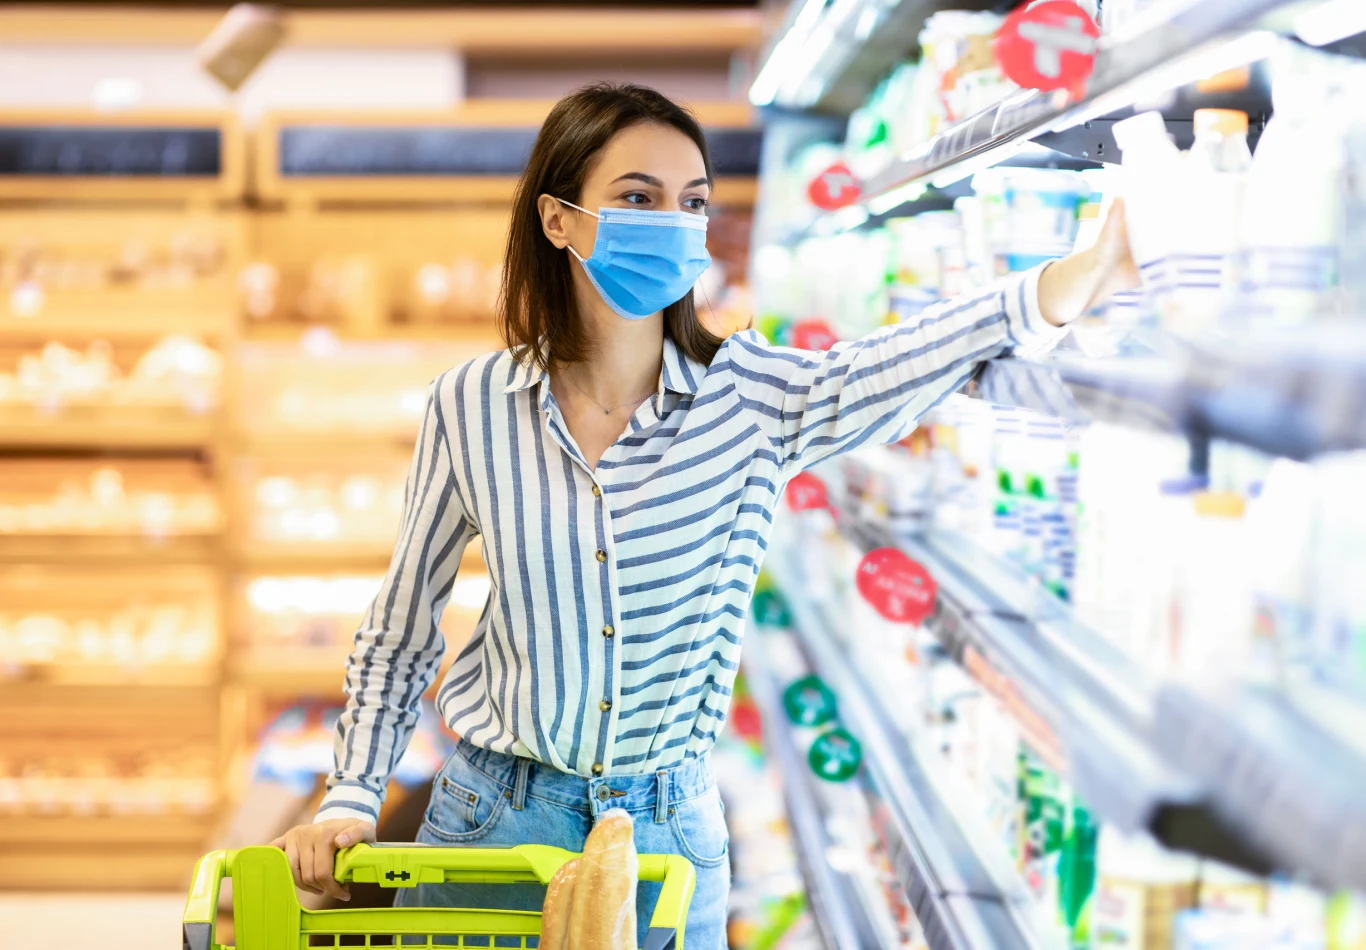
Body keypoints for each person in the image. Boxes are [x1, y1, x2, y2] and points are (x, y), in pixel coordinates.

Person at [271, 82, 1138, 947]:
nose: (674, 225)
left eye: (692, 203)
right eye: (638, 199)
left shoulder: (753, 398)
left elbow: (897, 360)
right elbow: (400, 627)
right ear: (558, 220)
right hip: (496, 816)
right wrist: (351, 795)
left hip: (666, 833)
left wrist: (1072, 278)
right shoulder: (471, 406)